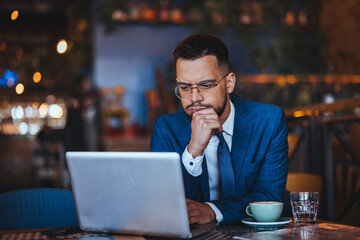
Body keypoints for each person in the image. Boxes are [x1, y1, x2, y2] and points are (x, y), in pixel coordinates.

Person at [150, 34, 288, 225]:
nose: (194, 97)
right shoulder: (165, 129)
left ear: (229, 83)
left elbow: (269, 197)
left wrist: (213, 210)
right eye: (184, 87)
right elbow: (163, 205)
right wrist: (194, 150)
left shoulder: (268, 121)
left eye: (205, 85)